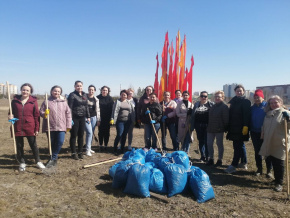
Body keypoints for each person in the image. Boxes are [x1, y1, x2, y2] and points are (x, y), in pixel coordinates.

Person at [8, 83, 45, 171]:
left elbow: (36, 116)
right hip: (17, 125)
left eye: (27, 90)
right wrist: (10, 116)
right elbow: (10, 113)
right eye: (23, 90)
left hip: (30, 126)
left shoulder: (33, 101)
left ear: (30, 92)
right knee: (19, 145)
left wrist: (36, 129)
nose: (25, 91)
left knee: (33, 145)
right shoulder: (14, 101)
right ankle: (22, 162)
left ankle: (38, 161)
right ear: (21, 90)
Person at [259, 95, 290, 192]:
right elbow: (264, 127)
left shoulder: (285, 113)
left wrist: (289, 119)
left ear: (280, 102)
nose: (273, 104)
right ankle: (276, 179)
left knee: (279, 163)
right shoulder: (268, 114)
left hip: (279, 143)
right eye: (271, 103)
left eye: (275, 102)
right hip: (269, 141)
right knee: (272, 160)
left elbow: (288, 127)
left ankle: (279, 183)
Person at [40, 85, 72, 167]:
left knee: (60, 142)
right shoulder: (46, 102)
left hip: (61, 126)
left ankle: (53, 157)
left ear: (60, 93)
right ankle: (53, 158)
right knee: (52, 143)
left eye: (58, 91)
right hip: (50, 126)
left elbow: (68, 114)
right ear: (51, 91)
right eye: (55, 91)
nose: (56, 92)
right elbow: (41, 112)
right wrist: (44, 113)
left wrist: (68, 125)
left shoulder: (63, 102)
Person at [225, 84, 251, 174]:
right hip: (233, 127)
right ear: (235, 92)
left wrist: (246, 126)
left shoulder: (246, 101)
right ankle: (244, 162)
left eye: (240, 91)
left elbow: (247, 115)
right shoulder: (233, 101)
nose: (239, 92)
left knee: (237, 146)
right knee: (240, 145)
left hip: (241, 127)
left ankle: (234, 165)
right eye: (237, 91)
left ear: (243, 91)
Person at [250, 89, 272, 176]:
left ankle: (269, 170)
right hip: (254, 132)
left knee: (267, 151)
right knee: (257, 151)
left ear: (262, 97)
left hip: (265, 132)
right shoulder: (252, 108)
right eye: (255, 97)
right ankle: (259, 169)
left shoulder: (268, 106)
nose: (256, 99)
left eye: (258, 97)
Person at [68, 81, 90, 160]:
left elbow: (86, 106)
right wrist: (70, 118)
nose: (79, 87)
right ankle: (74, 153)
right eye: (77, 86)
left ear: (82, 86)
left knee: (81, 135)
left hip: (82, 117)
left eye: (80, 86)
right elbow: (69, 107)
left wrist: (88, 116)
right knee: (74, 135)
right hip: (75, 117)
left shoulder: (84, 95)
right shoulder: (72, 95)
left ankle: (80, 152)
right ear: (74, 86)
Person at [206, 91, 229, 166]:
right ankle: (211, 158)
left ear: (222, 98)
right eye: (216, 96)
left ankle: (220, 159)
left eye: (219, 97)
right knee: (209, 144)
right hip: (210, 129)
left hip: (219, 129)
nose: (217, 98)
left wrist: (225, 128)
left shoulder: (224, 107)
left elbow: (226, 119)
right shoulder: (213, 106)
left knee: (219, 144)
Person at [190, 91, 214, 162]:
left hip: (208, 125)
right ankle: (202, 156)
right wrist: (192, 125)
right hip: (198, 125)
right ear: (200, 97)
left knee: (207, 141)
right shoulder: (197, 104)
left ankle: (208, 156)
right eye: (202, 96)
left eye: (205, 96)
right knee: (201, 141)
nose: (203, 97)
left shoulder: (211, 104)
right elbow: (193, 115)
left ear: (207, 97)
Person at [111, 90, 135, 154]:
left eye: (125, 95)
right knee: (119, 134)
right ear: (120, 95)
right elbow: (114, 111)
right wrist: (112, 118)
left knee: (124, 135)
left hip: (127, 121)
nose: (123, 96)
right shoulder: (117, 102)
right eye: (122, 94)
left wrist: (133, 120)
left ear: (127, 96)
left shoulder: (129, 103)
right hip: (120, 121)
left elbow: (132, 112)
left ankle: (122, 149)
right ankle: (115, 148)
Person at [85, 85, 101, 156]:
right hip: (86, 117)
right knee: (89, 132)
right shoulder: (84, 97)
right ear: (88, 90)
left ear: (94, 91)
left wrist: (98, 119)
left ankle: (89, 147)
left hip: (94, 117)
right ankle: (87, 150)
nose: (91, 91)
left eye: (92, 90)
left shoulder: (96, 99)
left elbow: (98, 110)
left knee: (92, 132)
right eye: (90, 90)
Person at [97, 86, 114, 151]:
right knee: (100, 132)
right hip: (100, 118)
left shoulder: (110, 99)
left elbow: (112, 109)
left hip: (107, 118)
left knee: (107, 132)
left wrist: (111, 118)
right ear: (101, 91)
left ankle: (106, 145)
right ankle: (101, 145)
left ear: (108, 91)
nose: (104, 91)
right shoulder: (98, 98)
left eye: (106, 90)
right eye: (103, 90)